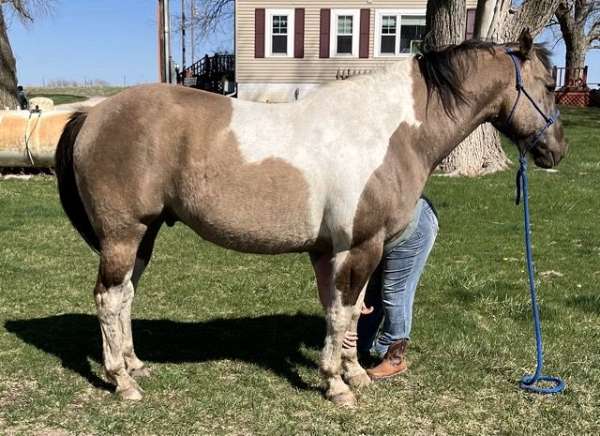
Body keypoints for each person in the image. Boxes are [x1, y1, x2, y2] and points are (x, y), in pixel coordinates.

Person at [347, 196, 439, 380]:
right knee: (373, 290)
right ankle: (362, 344)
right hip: (385, 228)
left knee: (395, 291)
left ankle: (395, 358)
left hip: (412, 225)